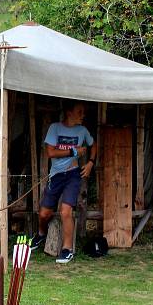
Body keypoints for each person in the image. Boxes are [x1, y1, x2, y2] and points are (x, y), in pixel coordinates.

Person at [30, 101, 96, 264]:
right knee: (44, 213)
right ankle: (40, 234)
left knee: (66, 211)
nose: (83, 115)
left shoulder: (83, 130)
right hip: (56, 175)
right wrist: (74, 151)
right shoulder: (55, 128)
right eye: (79, 111)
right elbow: (50, 152)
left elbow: (94, 144)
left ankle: (67, 250)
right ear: (69, 112)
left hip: (73, 174)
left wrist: (90, 163)